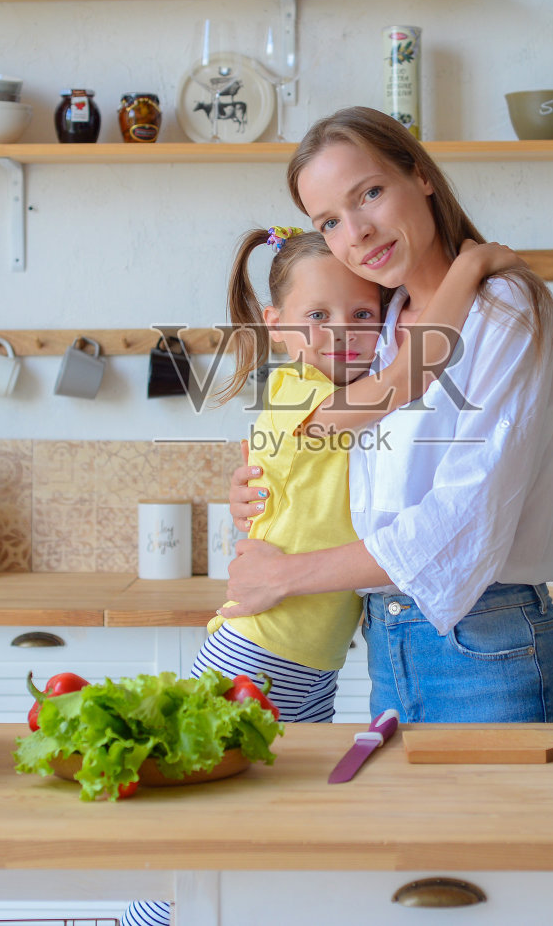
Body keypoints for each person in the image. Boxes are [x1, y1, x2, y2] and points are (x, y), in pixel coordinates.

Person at [122, 224, 518, 926]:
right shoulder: (301, 392)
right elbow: (408, 377)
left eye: (363, 315)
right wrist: (475, 265)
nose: (342, 333)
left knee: (264, 840)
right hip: (259, 655)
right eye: (318, 317)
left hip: (301, 663)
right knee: (205, 836)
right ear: (275, 327)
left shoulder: (323, 393)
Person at [220, 106, 553, 724]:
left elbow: (461, 520)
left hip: (488, 654)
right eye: (330, 220)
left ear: (421, 176)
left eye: (370, 193)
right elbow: (350, 445)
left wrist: (285, 576)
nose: (357, 232)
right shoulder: (377, 324)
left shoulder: (503, 312)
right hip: (384, 649)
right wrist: (265, 486)